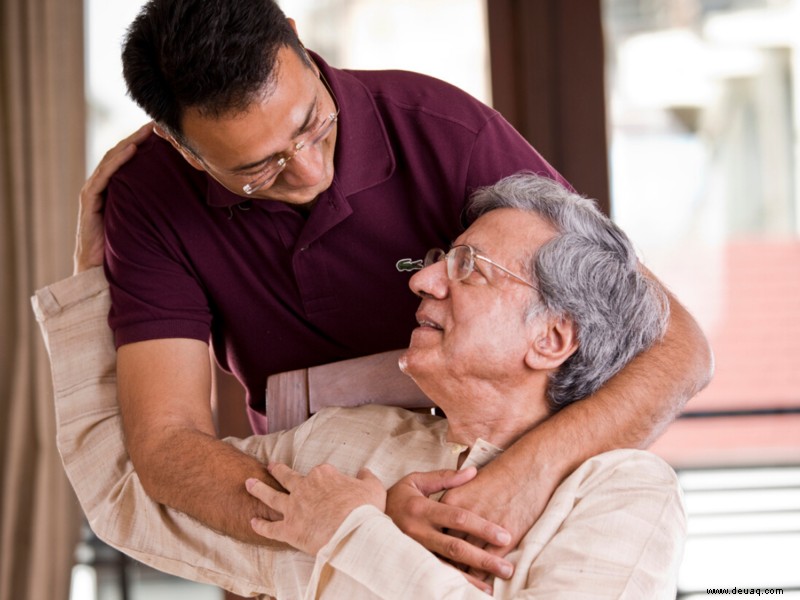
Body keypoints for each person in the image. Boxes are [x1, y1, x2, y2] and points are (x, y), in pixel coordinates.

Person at [82, 0, 711, 575]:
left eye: (313, 125)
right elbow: (165, 446)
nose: (307, 169)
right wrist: (367, 522)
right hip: (303, 503)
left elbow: (676, 345)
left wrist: (529, 473)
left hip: (493, 470)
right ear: (179, 145)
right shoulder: (151, 197)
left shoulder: (442, 130)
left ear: (298, 43)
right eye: (257, 168)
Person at [38, 174, 686, 598]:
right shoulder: (342, 447)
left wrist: (352, 534)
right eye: (440, 260)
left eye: (468, 267)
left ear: (551, 339)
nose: (423, 282)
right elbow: (134, 490)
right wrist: (103, 269)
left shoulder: (623, 491)